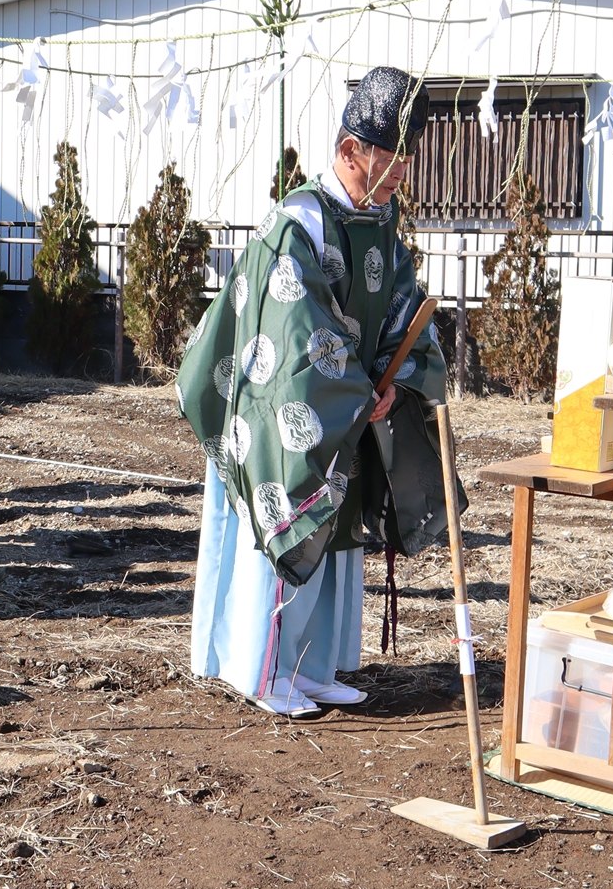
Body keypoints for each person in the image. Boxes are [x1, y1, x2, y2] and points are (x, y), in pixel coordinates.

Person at [179, 65, 458, 718]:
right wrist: (356, 389)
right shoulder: (295, 224)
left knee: (336, 537)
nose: (398, 181)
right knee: (287, 518)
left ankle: (313, 666)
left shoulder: (380, 221)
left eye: (404, 166)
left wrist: (396, 375)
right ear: (348, 151)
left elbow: (401, 304)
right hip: (276, 410)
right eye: (388, 166)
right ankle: (262, 667)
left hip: (348, 405)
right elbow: (290, 325)